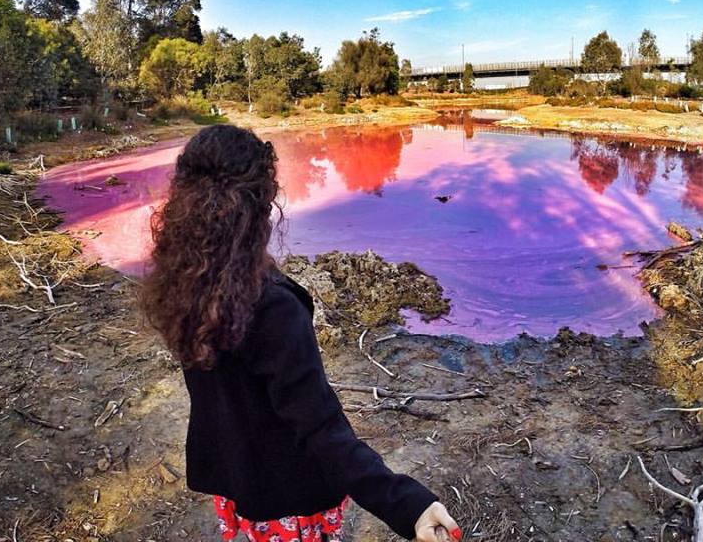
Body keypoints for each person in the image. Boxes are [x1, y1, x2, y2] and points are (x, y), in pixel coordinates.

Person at [138, 124, 461, 542]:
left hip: (238, 477)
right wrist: (408, 505)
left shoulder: (183, 278)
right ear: (262, 202)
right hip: (288, 495)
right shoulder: (272, 308)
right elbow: (320, 429)